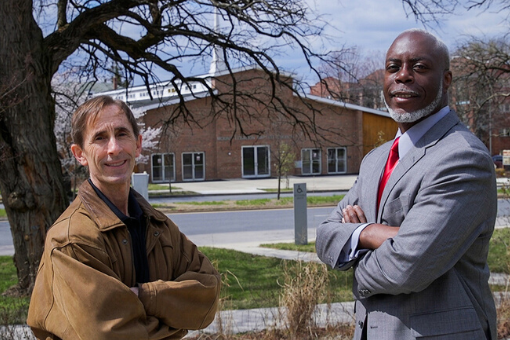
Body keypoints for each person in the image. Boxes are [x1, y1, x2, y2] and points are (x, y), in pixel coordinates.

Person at [316, 29, 497, 340]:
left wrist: (354, 250)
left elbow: (407, 266)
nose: (403, 76)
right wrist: (371, 232)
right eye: (393, 67)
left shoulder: (462, 158)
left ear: (447, 80)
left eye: (420, 67)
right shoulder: (376, 159)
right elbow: (325, 234)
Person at [27, 96, 221, 339]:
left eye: (121, 134)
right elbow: (110, 335)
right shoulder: (70, 240)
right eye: (100, 138)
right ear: (79, 154)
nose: (114, 148)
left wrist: (143, 296)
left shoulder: (158, 226)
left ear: (138, 144)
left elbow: (208, 295)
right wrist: (177, 323)